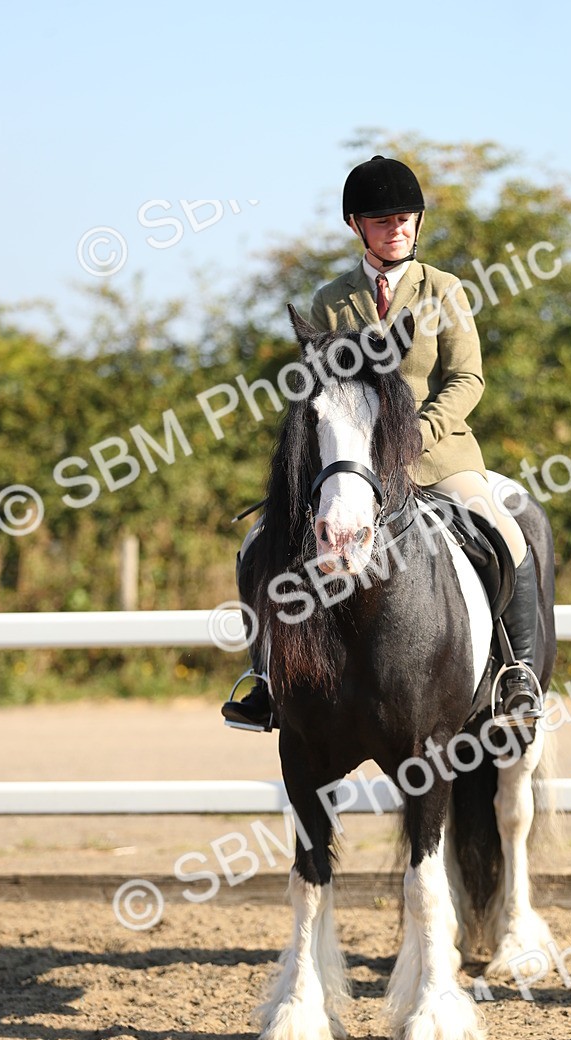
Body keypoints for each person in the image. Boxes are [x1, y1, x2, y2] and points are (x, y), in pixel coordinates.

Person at [222, 155, 543, 732]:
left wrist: (417, 433)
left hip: (437, 455)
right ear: (356, 226)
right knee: (258, 544)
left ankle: (515, 673)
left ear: (417, 223)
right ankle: (266, 677)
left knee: (505, 530)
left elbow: (467, 379)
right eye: (382, 221)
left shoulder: (444, 291)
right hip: (352, 465)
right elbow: (324, 387)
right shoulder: (329, 301)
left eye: (404, 219)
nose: (396, 229)